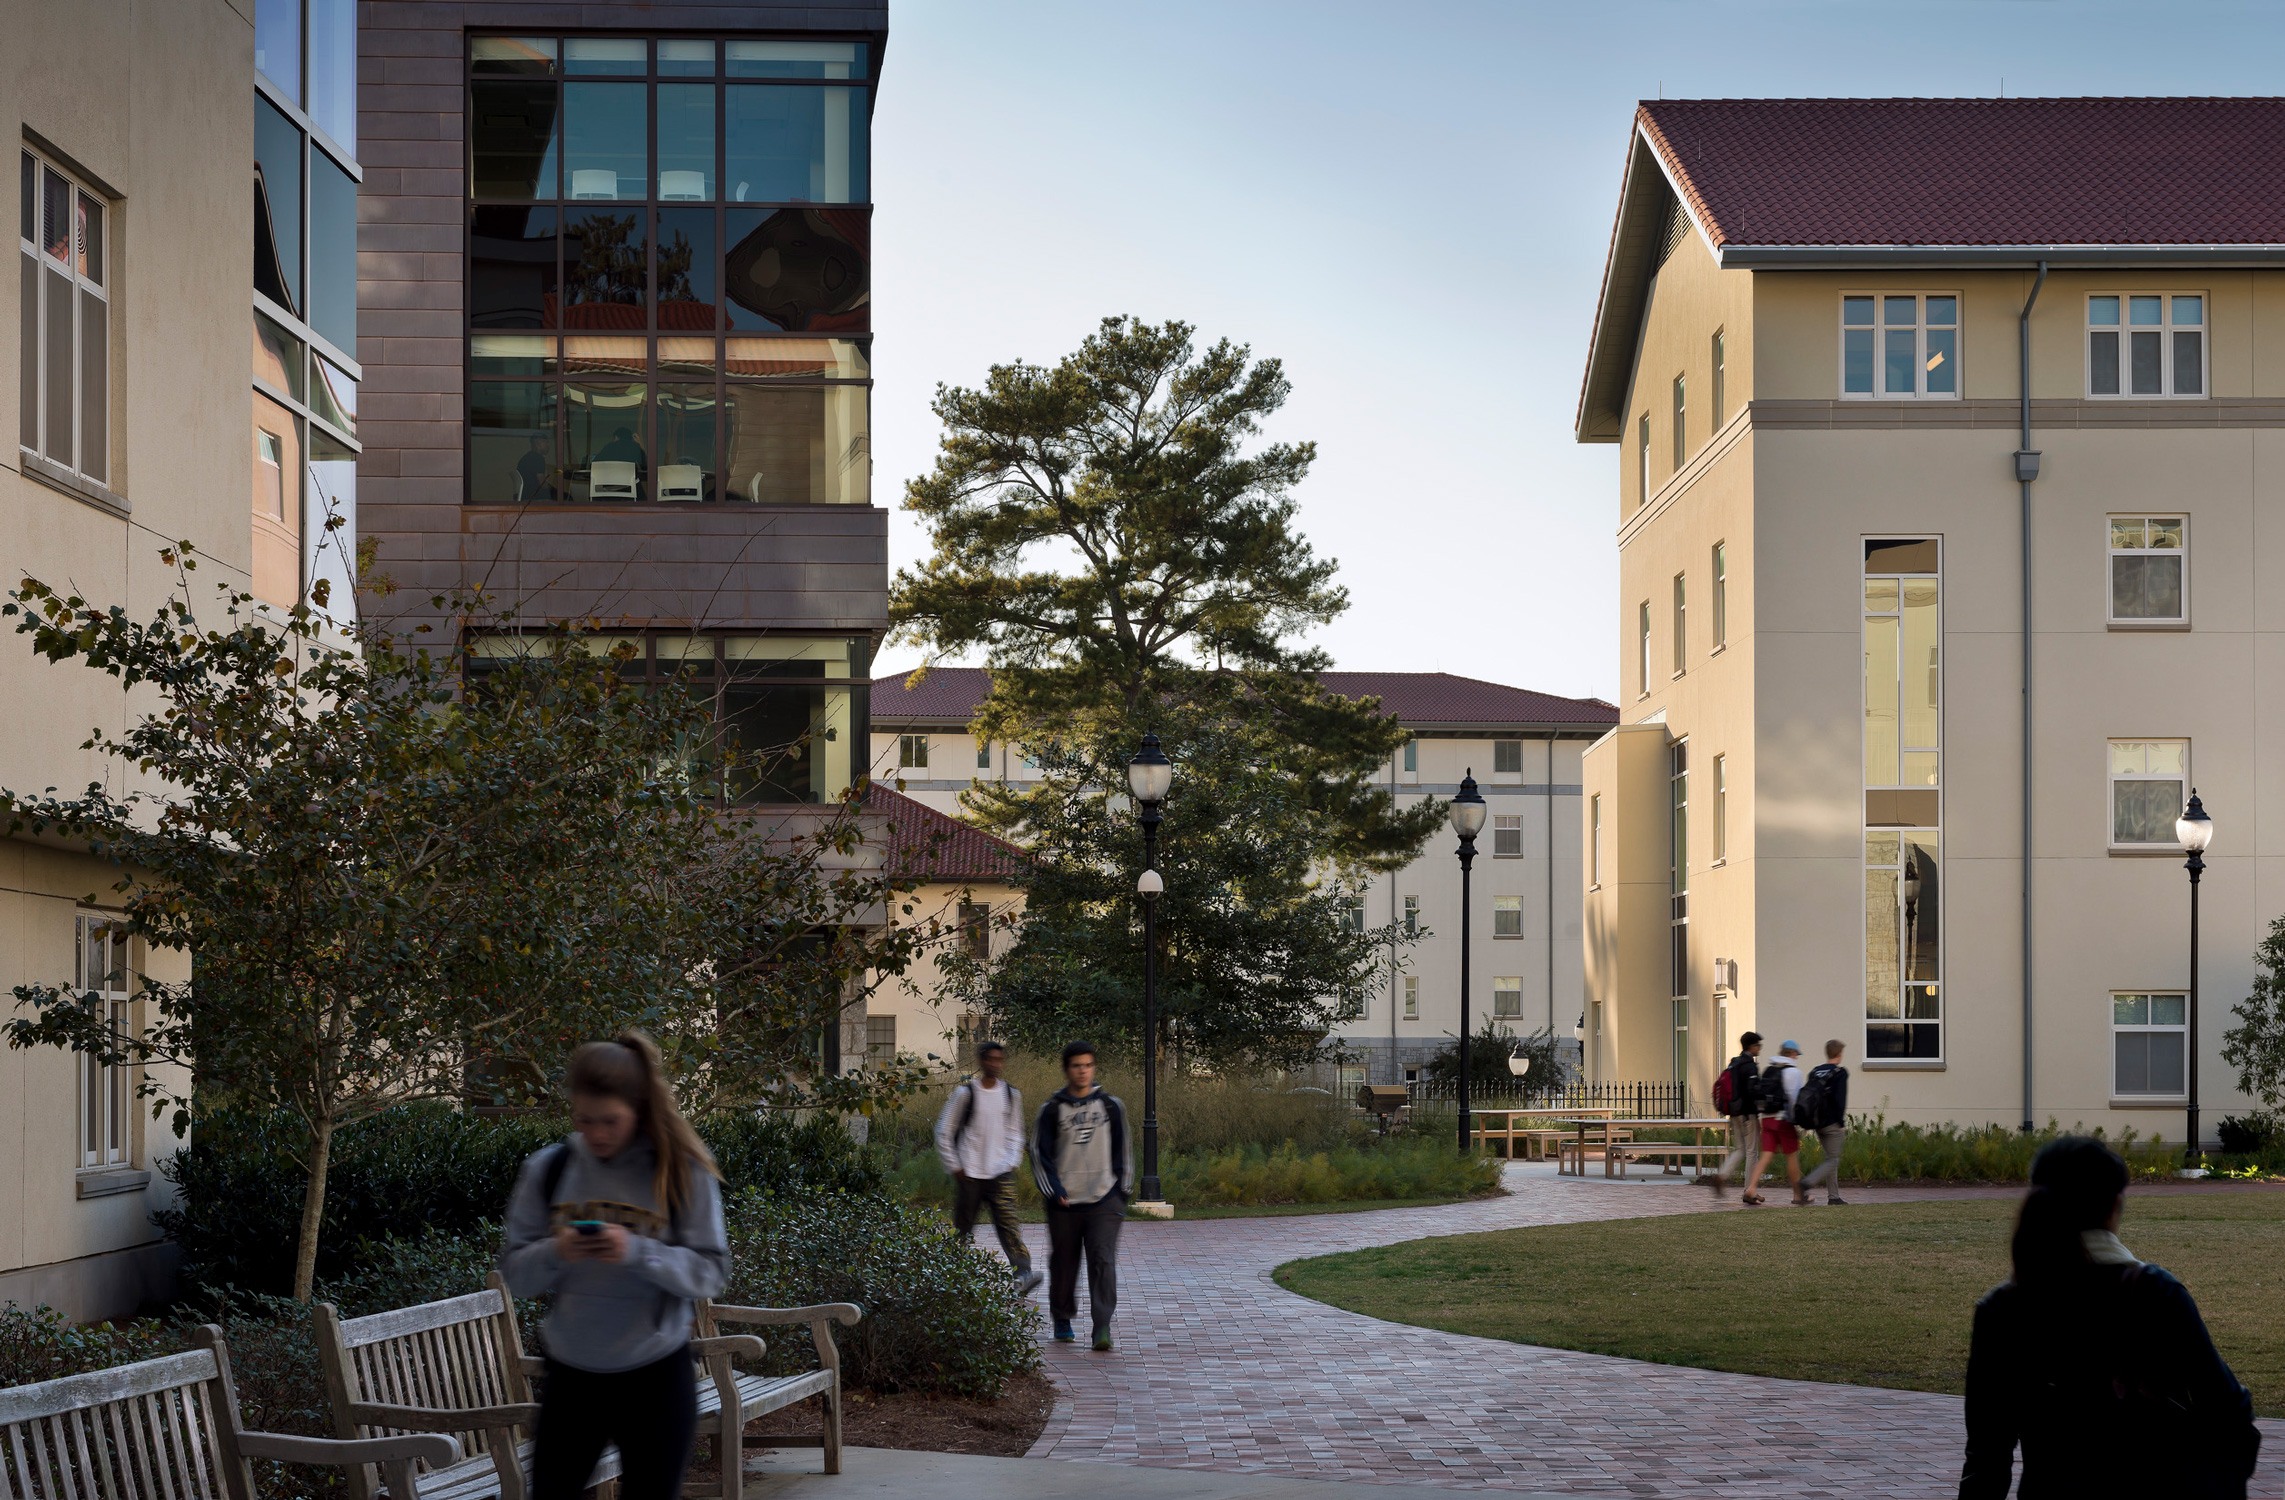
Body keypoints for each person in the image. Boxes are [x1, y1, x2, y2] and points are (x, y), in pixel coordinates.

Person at [1959, 1136, 2260, 1499]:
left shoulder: (2001, 1310)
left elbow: (1986, 1460)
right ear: (2115, 1205)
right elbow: (2229, 1408)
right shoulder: (2156, 1292)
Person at [500, 1033, 729, 1500]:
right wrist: (556, 1251)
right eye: (584, 1120)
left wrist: (637, 1250)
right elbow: (517, 1276)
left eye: (611, 1121)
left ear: (640, 1109)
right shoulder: (549, 1169)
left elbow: (711, 1273)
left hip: (655, 1374)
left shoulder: (682, 1172)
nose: (597, 1134)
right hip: (571, 1375)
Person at [1031, 1040, 1132, 1353]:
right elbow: (1038, 1153)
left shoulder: (1111, 1106)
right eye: (1076, 1065)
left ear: (1094, 1068)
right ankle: (1062, 1319)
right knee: (1064, 1263)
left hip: (1104, 1198)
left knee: (1103, 1260)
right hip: (1064, 1203)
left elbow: (1124, 1151)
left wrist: (1121, 1191)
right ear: (1067, 1070)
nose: (1082, 1071)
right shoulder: (1051, 1109)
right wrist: (1054, 1190)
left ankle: (1102, 1326)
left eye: (1087, 1065)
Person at [935, 1039, 1043, 1295]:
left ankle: (1023, 1276)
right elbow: (944, 1130)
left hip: (1000, 1174)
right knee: (962, 1229)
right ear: (981, 1061)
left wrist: (1012, 1161)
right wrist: (954, 1165)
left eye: (999, 1059)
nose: (995, 1064)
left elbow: (1016, 1132)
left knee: (1009, 1227)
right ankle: (949, 1278)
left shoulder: (1011, 1094)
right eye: (990, 1059)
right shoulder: (965, 1094)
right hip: (969, 1174)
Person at [1746, 1039, 1806, 1206]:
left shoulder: (1770, 1069)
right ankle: (1797, 1195)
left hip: (1766, 1118)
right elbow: (1794, 1099)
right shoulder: (1794, 1072)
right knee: (1792, 1155)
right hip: (1783, 1120)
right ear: (1792, 1053)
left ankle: (1751, 1188)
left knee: (1766, 1154)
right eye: (1797, 1054)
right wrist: (1797, 1121)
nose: (1797, 1058)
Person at [1708, 1031, 1763, 1198]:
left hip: (1734, 1113)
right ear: (1751, 1046)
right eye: (1758, 1045)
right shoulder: (1750, 1066)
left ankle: (1722, 1175)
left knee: (1740, 1149)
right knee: (1752, 1152)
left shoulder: (1734, 1063)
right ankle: (1749, 1190)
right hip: (1748, 1115)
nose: (1759, 1048)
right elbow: (1752, 1091)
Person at [1796, 1039, 1851, 1206]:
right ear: (1839, 1054)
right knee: (1833, 1160)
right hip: (1832, 1122)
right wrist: (1840, 1122)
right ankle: (1806, 1183)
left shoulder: (1815, 1071)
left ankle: (1834, 1197)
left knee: (1830, 1159)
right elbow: (1839, 1100)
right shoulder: (1840, 1073)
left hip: (1816, 1122)